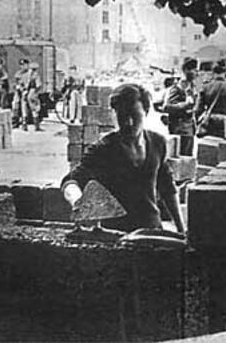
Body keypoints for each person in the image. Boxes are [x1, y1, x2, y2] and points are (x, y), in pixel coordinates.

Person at [61, 83, 185, 234]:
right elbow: (70, 181)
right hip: (116, 235)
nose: (128, 123)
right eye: (122, 116)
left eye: (134, 115)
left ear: (145, 112)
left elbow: (167, 187)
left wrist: (181, 229)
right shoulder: (104, 149)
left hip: (152, 228)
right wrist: (78, 202)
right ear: (115, 114)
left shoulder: (157, 142)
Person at [163, 57, 197, 156]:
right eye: (194, 70)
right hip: (179, 128)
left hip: (189, 127)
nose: (196, 73)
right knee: (178, 157)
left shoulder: (192, 86)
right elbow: (167, 107)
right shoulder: (177, 88)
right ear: (186, 70)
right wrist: (185, 105)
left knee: (187, 159)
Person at [195, 61, 226, 138]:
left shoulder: (206, 87)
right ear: (225, 72)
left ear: (213, 73)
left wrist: (199, 120)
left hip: (210, 122)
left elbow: (198, 109)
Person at [27, 62, 44, 131]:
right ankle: (37, 126)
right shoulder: (36, 75)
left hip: (28, 93)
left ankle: (25, 125)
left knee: (30, 109)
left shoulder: (28, 76)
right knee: (36, 109)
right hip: (34, 92)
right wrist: (37, 91)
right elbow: (38, 85)